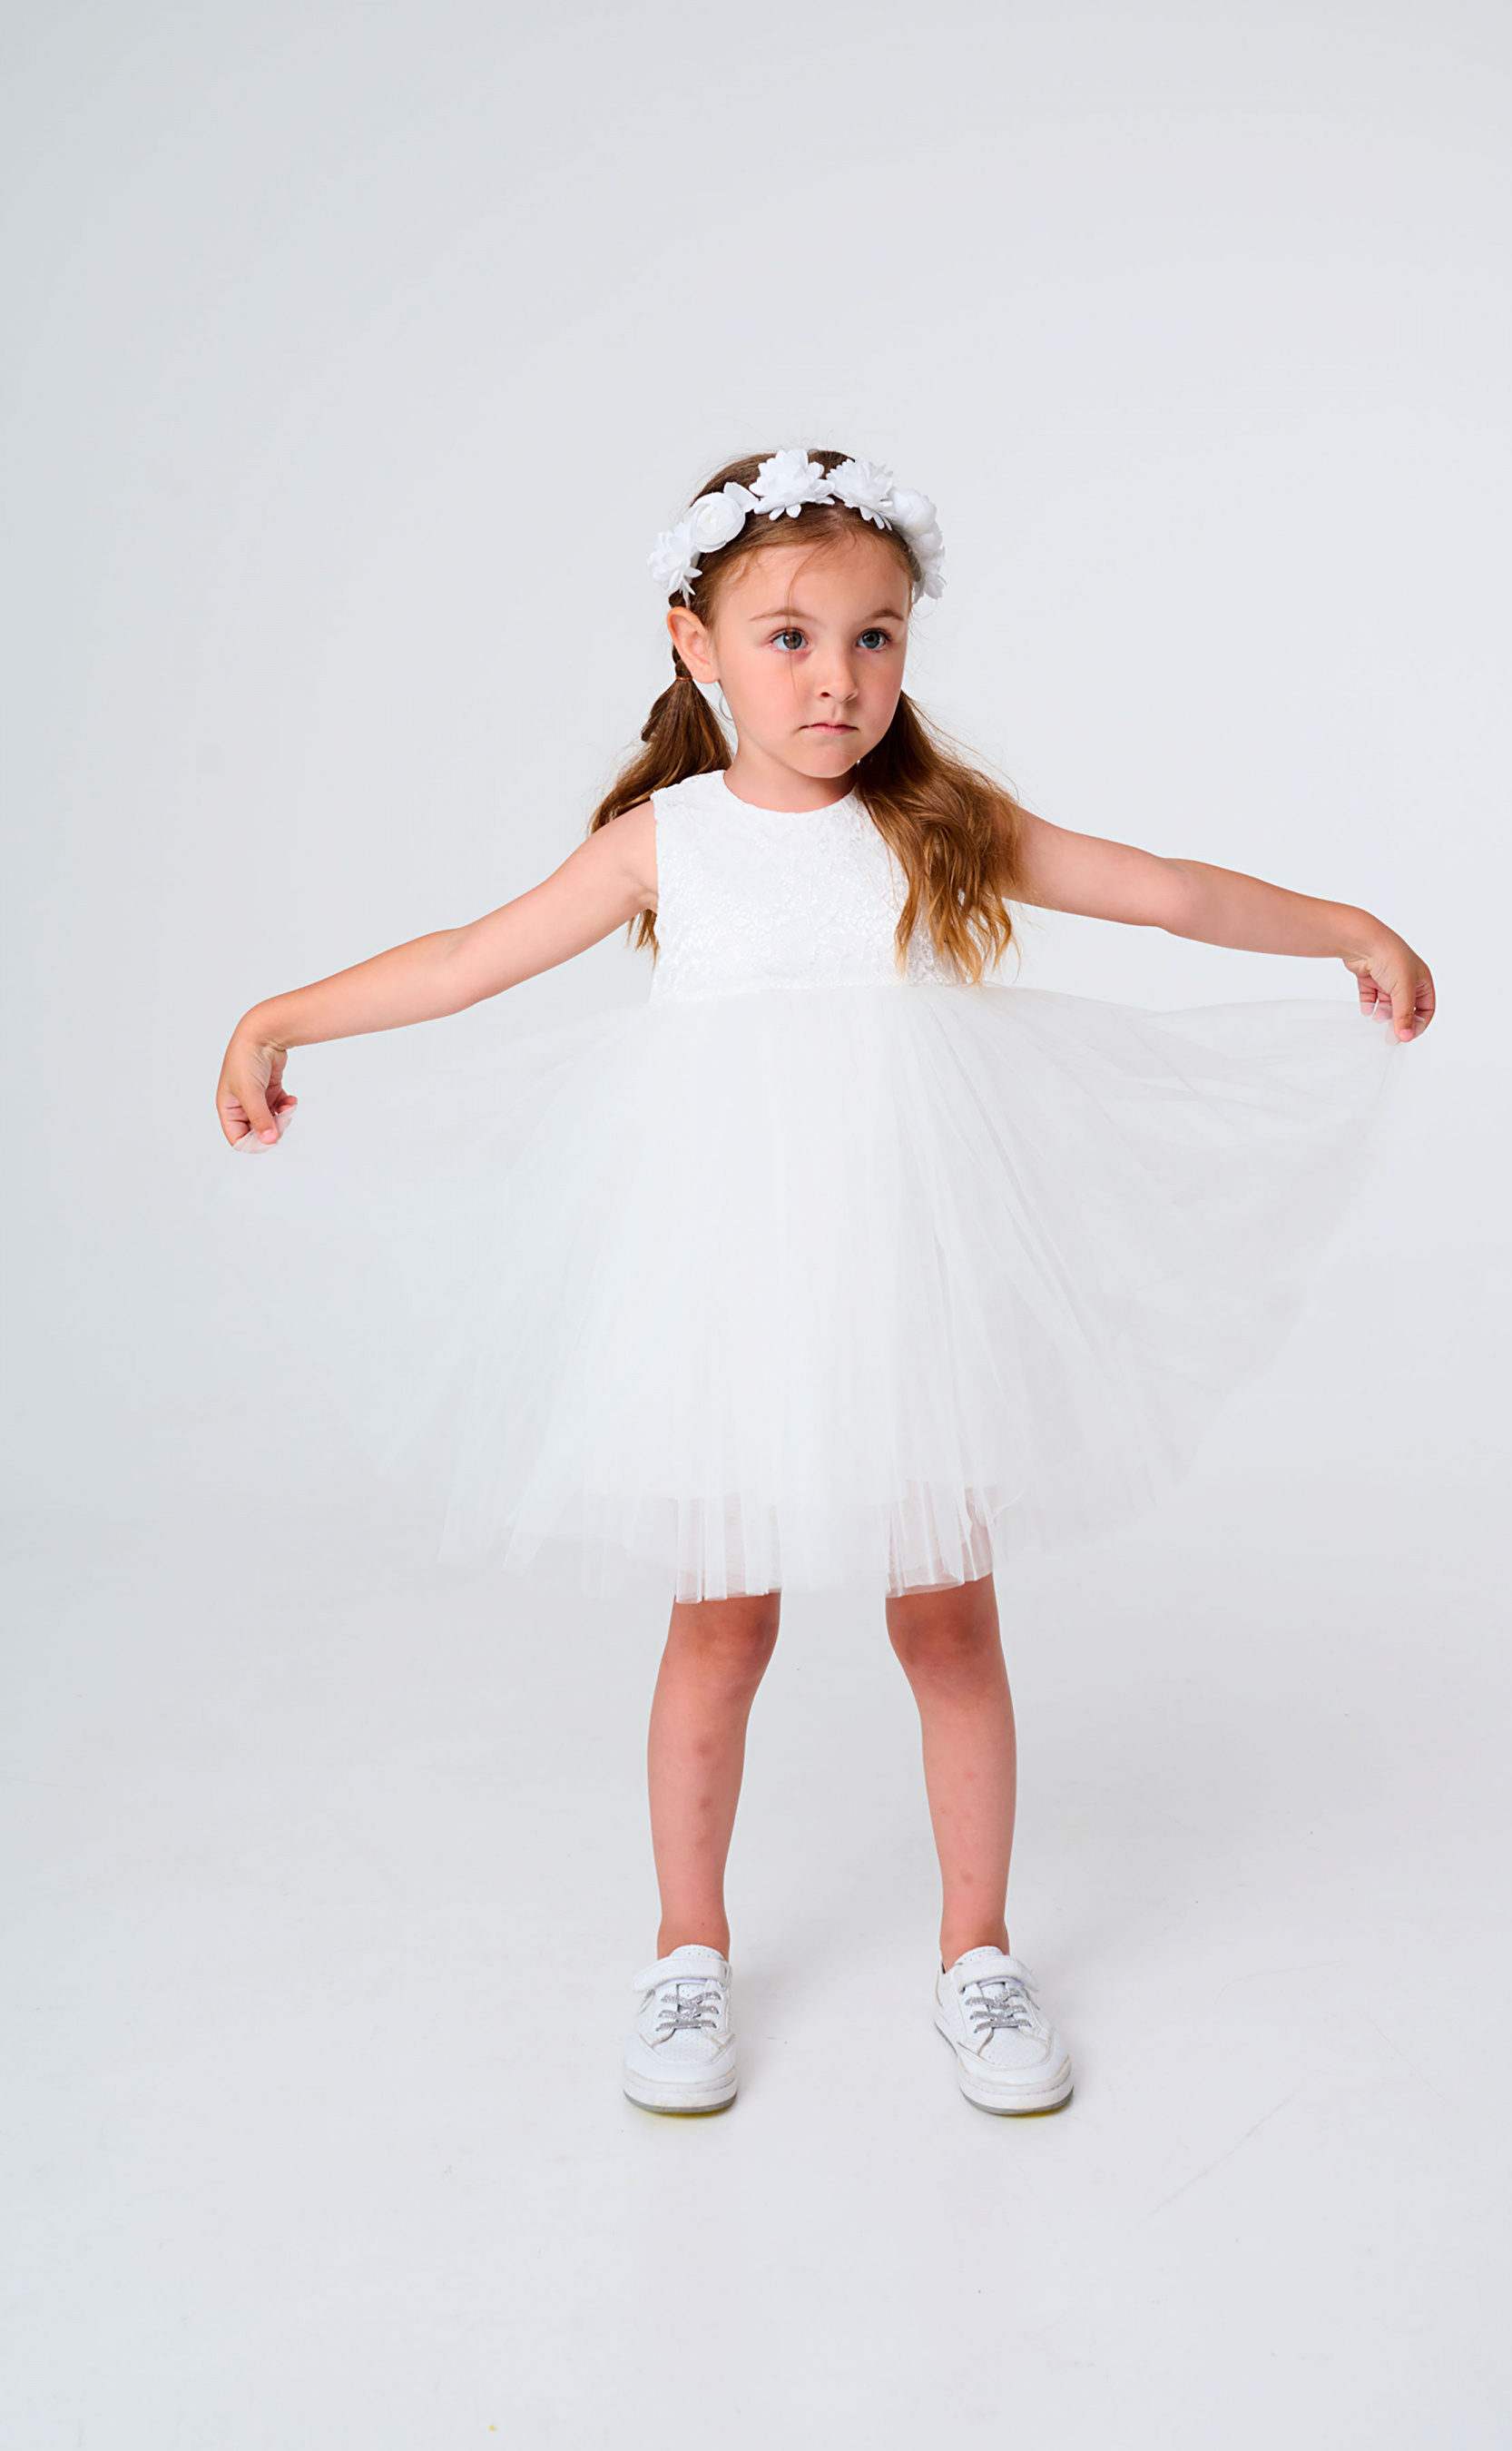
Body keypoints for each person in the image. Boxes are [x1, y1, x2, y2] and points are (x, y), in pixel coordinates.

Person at [215, 448, 1434, 2120]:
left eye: (875, 638)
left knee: (947, 1619)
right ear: (695, 643)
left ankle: (975, 1955)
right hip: (721, 1285)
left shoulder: (931, 827)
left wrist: (1343, 923)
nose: (836, 679)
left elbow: (1160, 889)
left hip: (906, 1280)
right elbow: (461, 961)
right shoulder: (664, 843)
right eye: (788, 638)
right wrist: (276, 1016)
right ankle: (686, 1951)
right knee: (720, 1622)